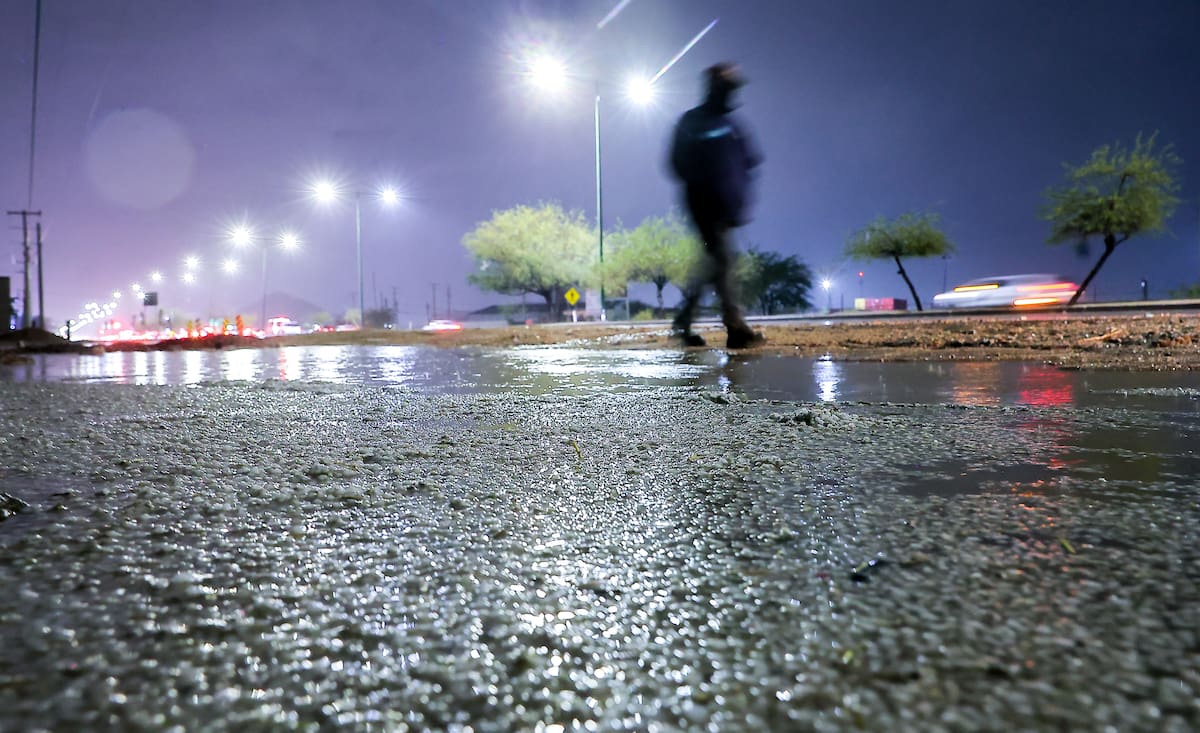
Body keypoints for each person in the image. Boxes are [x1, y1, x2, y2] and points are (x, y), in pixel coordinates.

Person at [668, 61, 765, 349]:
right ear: (714, 88)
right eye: (727, 88)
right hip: (702, 204)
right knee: (720, 260)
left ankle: (685, 322)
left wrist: (737, 202)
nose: (731, 94)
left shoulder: (733, 126)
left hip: (725, 208)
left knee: (714, 263)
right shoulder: (693, 120)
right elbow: (675, 162)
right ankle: (734, 327)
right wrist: (703, 185)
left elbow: (749, 162)